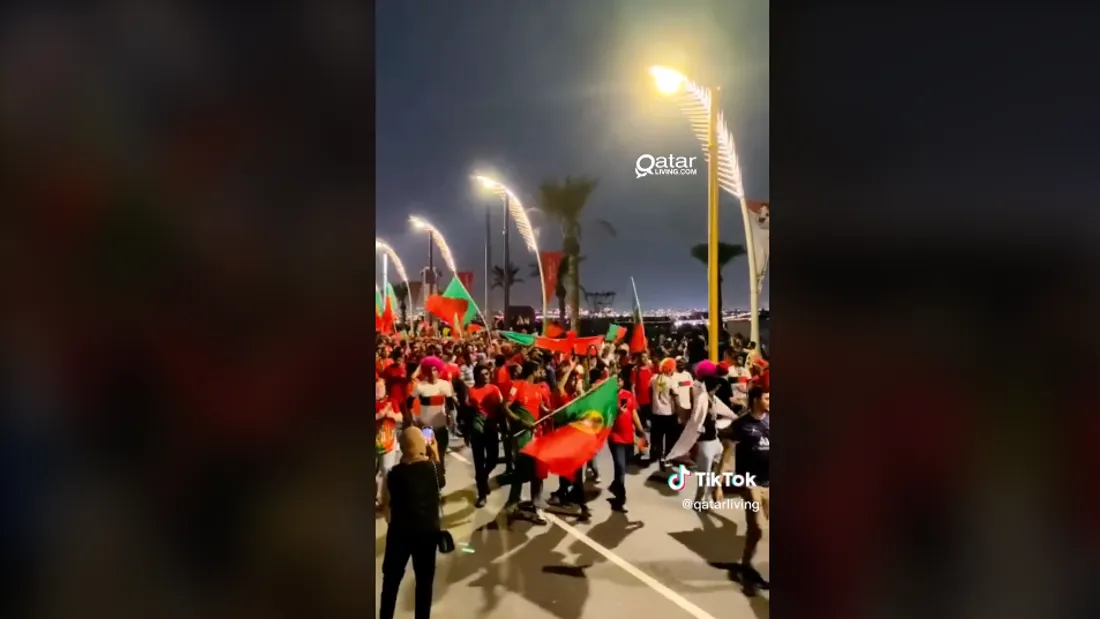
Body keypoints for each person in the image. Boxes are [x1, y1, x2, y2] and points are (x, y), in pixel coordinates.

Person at [378, 427, 443, 619]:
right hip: (427, 536)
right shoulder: (433, 469)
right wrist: (435, 451)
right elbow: (441, 479)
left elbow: (385, 506)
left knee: (391, 581)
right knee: (424, 583)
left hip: (399, 534)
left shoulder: (393, 475)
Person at [715, 386, 770, 595]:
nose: (770, 401)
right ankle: (747, 565)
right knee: (757, 527)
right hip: (750, 483)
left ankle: (747, 563)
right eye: (767, 398)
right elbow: (727, 455)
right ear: (756, 399)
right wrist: (718, 483)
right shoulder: (741, 425)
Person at [502, 360, 549, 524]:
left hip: (536, 433)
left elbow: (542, 407)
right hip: (521, 434)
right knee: (522, 469)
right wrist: (520, 422)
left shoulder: (539, 389)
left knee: (538, 469)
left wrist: (550, 413)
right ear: (533, 371)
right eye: (539, 370)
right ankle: (513, 502)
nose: (541, 373)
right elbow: (505, 407)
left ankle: (537, 505)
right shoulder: (517, 386)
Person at [407, 356, 456, 476]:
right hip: (427, 427)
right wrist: (414, 418)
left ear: (438, 370)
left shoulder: (445, 385)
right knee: (430, 452)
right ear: (425, 372)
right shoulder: (420, 386)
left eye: (434, 369)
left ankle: (440, 474)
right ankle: (433, 475)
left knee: (441, 453)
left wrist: (452, 420)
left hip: (441, 425)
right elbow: (409, 402)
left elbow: (451, 405)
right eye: (429, 370)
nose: (432, 373)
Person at [608, 372, 645, 512]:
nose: (618, 382)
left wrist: (640, 430)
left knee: (626, 464)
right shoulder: (608, 398)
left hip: (628, 437)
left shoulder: (629, 395)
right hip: (615, 437)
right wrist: (616, 413)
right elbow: (606, 420)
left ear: (623, 382)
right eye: (615, 381)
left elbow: (633, 412)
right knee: (620, 467)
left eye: (619, 380)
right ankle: (621, 500)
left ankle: (615, 485)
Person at [466, 366, 502, 507]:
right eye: (482, 374)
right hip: (477, 431)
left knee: (493, 459)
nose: (486, 376)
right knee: (479, 462)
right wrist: (467, 433)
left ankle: (482, 476)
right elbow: (467, 413)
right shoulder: (471, 391)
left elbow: (500, 408)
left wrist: (503, 427)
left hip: (491, 428)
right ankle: (482, 494)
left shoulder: (494, 389)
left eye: (487, 373)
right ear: (477, 376)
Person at [648, 357, 678, 470]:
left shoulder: (654, 378)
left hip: (656, 413)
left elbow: (650, 393)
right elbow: (675, 398)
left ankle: (659, 456)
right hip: (669, 413)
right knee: (670, 438)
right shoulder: (671, 382)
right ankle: (667, 458)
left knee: (657, 438)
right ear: (670, 369)